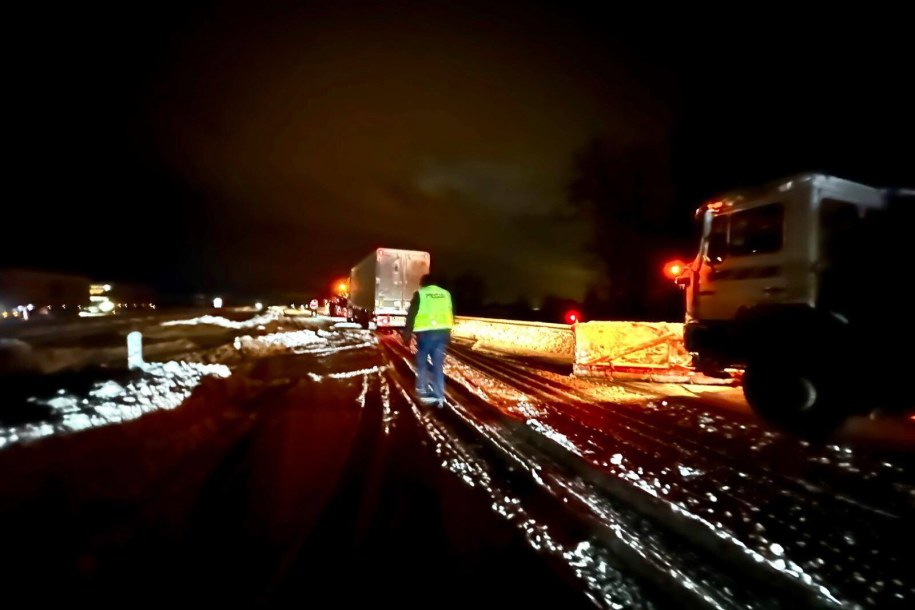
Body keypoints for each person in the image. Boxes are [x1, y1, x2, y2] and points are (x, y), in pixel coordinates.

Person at [402, 274, 453, 407]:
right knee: (438, 365)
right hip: (442, 333)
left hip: (426, 334)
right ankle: (439, 395)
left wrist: (407, 336)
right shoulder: (446, 294)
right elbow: (450, 312)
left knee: (422, 362)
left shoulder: (421, 294)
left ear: (423, 284)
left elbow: (412, 314)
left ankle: (423, 391)